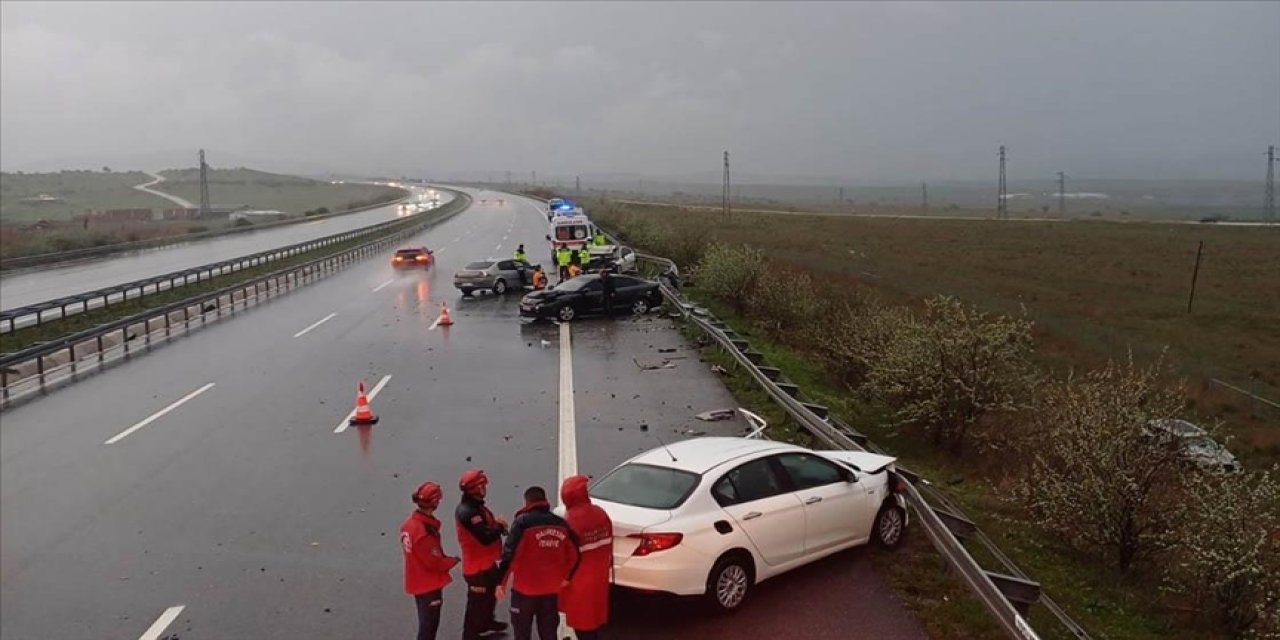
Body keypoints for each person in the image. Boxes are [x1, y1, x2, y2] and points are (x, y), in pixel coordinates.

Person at [495, 487, 580, 640]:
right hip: (551, 592)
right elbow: (575, 555)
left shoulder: (522, 523)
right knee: (548, 633)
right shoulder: (561, 524)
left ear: (527, 502)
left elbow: (509, 555)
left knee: (522, 634)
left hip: (524, 592)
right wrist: (567, 578)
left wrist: (501, 583)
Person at [401, 482, 460, 640]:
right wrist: (453, 561)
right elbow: (435, 563)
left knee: (426, 624)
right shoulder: (424, 533)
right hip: (428, 585)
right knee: (428, 628)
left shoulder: (408, 525)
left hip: (415, 580)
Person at [455, 470, 510, 640]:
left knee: (489, 596)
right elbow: (485, 537)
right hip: (476, 568)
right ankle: (470, 634)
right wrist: (499, 527)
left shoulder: (475, 507)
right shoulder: (469, 512)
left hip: (486, 563)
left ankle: (486, 621)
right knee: (476, 603)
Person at [559, 475, 613, 640]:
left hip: (578, 582)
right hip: (600, 575)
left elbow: (566, 554)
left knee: (582, 624)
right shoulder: (600, 513)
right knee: (595, 618)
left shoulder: (570, 520)